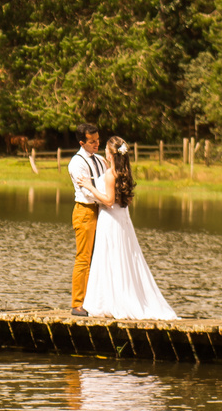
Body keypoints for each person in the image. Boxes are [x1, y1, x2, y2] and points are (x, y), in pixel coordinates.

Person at [73, 136, 178, 320]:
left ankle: (110, 301)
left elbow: (108, 200)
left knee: (110, 257)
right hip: (122, 220)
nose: (103, 149)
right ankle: (115, 296)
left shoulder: (110, 175)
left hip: (110, 219)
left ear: (110, 152)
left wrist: (90, 186)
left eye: (106, 147)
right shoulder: (123, 172)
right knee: (123, 257)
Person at [67, 123, 105, 317]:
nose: (97, 144)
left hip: (102, 211)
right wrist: (107, 198)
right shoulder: (77, 162)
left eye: (98, 140)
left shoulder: (99, 160)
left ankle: (95, 300)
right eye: (92, 141)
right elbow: (87, 193)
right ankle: (78, 303)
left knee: (98, 257)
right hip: (85, 211)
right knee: (84, 257)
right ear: (82, 142)